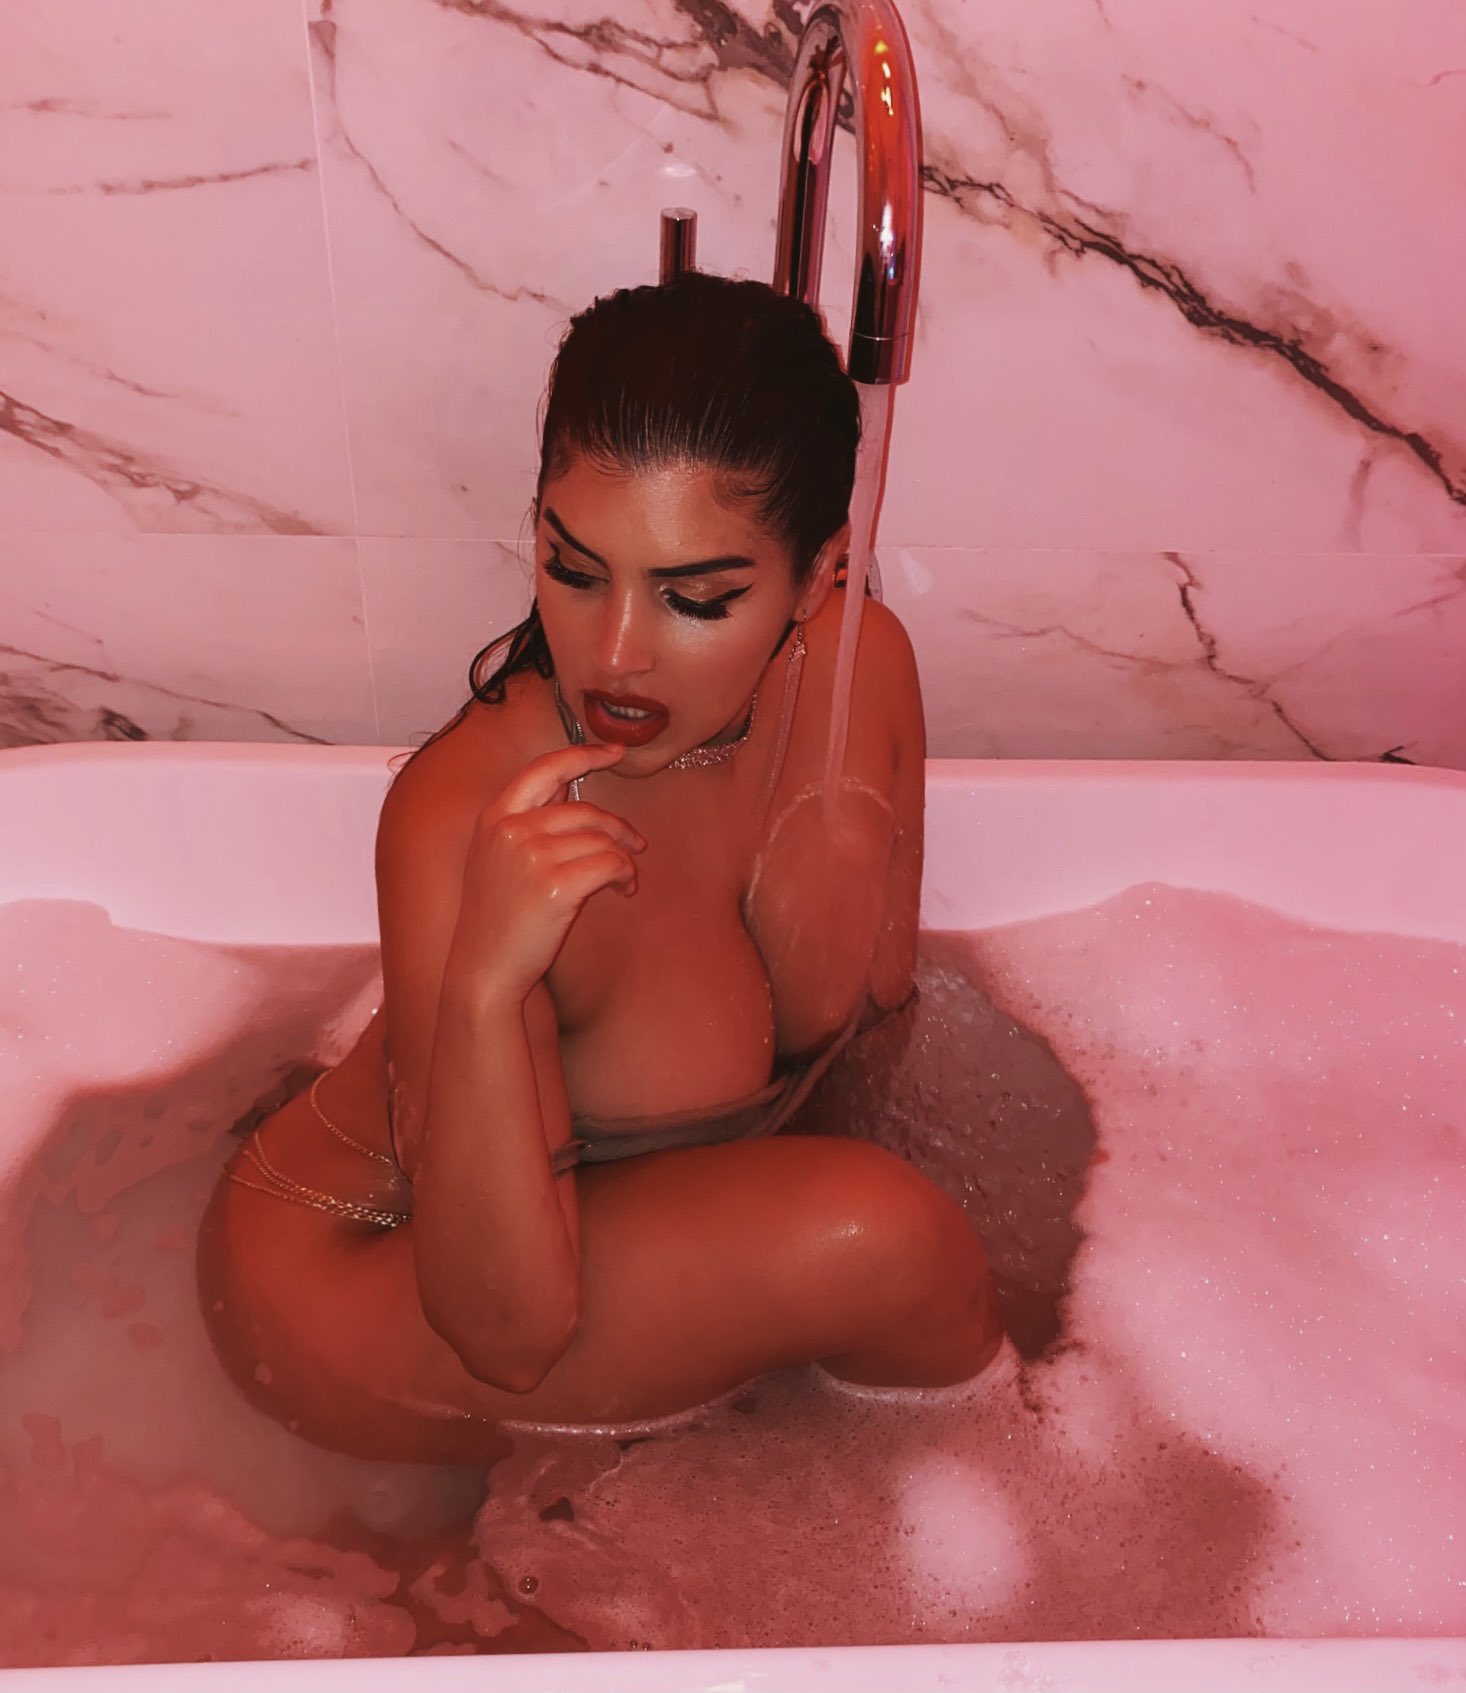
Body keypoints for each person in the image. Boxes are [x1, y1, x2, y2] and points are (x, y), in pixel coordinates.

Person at [198, 272, 1003, 1465]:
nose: (616, 654)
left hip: (597, 1244)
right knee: (886, 1242)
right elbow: (506, 1336)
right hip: (372, 1285)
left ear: (816, 574)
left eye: (697, 598)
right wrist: (485, 986)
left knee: (897, 1239)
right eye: (574, 571)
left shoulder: (857, 669)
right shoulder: (472, 817)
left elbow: (877, 1024)